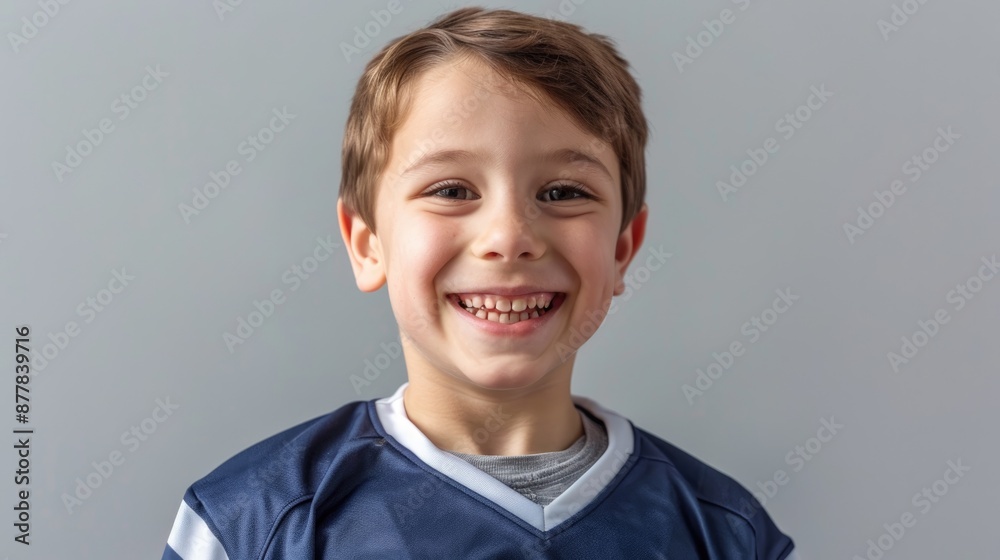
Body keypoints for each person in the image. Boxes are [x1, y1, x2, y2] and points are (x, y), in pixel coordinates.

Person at [161, 7, 798, 558]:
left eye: (563, 192)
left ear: (623, 248)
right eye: (451, 190)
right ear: (367, 243)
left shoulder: (724, 532)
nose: (509, 235)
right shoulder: (253, 521)